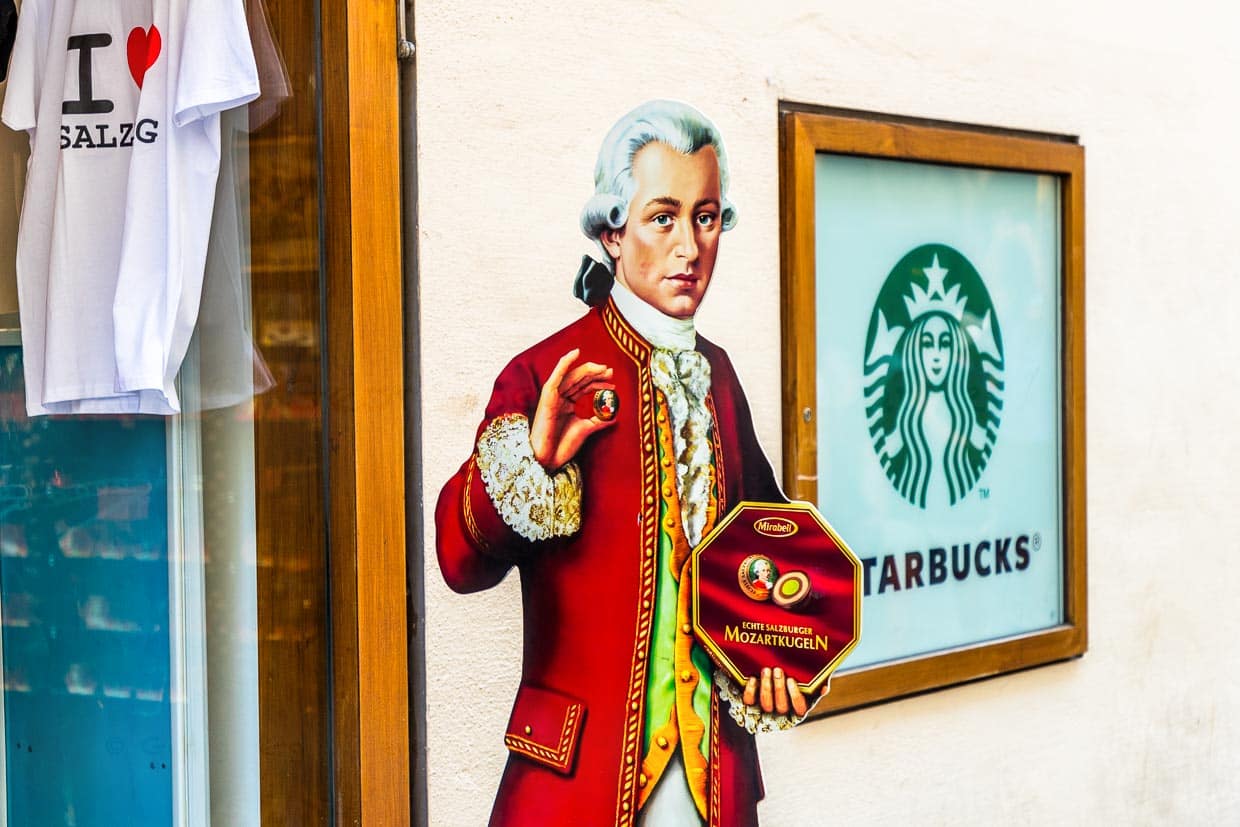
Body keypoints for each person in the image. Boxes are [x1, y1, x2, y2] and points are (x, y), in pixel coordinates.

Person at [435, 100, 822, 827]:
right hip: (574, 786)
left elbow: (768, 555)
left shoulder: (721, 375)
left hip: (711, 786)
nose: (689, 246)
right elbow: (458, 560)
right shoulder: (549, 370)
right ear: (613, 230)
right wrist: (531, 465)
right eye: (663, 217)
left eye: (706, 218)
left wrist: (786, 664)